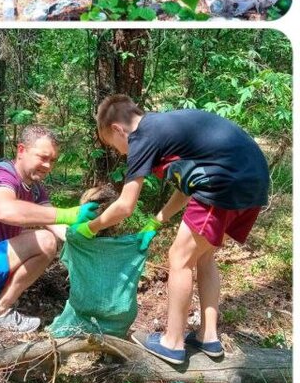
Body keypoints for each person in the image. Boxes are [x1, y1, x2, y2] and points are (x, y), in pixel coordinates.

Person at [86, 95, 271, 367]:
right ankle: (208, 336)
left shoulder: (141, 136)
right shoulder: (164, 128)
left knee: (179, 259)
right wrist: (157, 221)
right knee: (203, 256)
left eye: (115, 146)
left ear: (117, 129)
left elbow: (125, 206)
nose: (121, 153)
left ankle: (172, 343)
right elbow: (189, 185)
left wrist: (89, 228)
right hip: (252, 180)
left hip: (224, 181)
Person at [0, 125, 101, 339]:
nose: (48, 165)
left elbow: (56, 223)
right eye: (42, 157)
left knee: (45, 236)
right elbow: (6, 210)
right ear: (21, 150)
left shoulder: (34, 187)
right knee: (45, 241)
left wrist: (87, 238)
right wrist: (67, 213)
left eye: (53, 160)